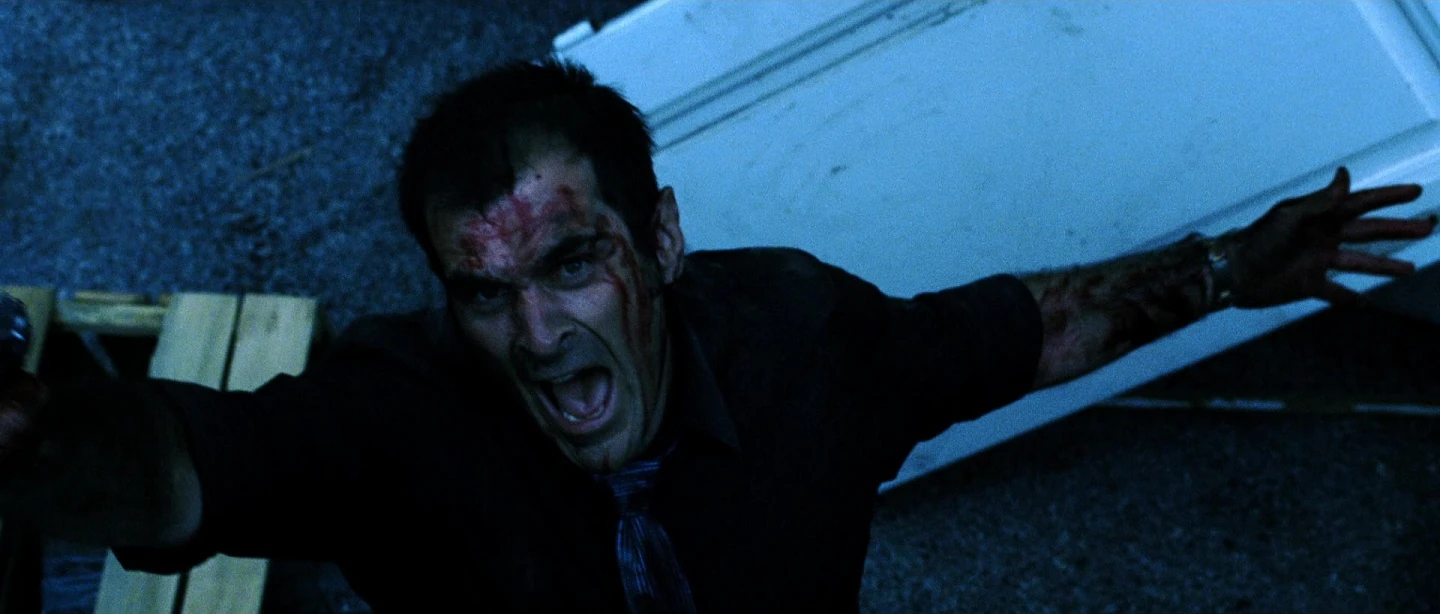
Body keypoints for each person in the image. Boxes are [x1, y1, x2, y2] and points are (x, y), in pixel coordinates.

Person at [0, 58, 1431, 612]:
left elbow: (1017, 334)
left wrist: (1223, 269)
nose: (537, 334)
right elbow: (192, 469)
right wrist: (51, 447)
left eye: (572, 264)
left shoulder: (804, 343)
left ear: (663, 242)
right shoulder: (401, 408)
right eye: (484, 292)